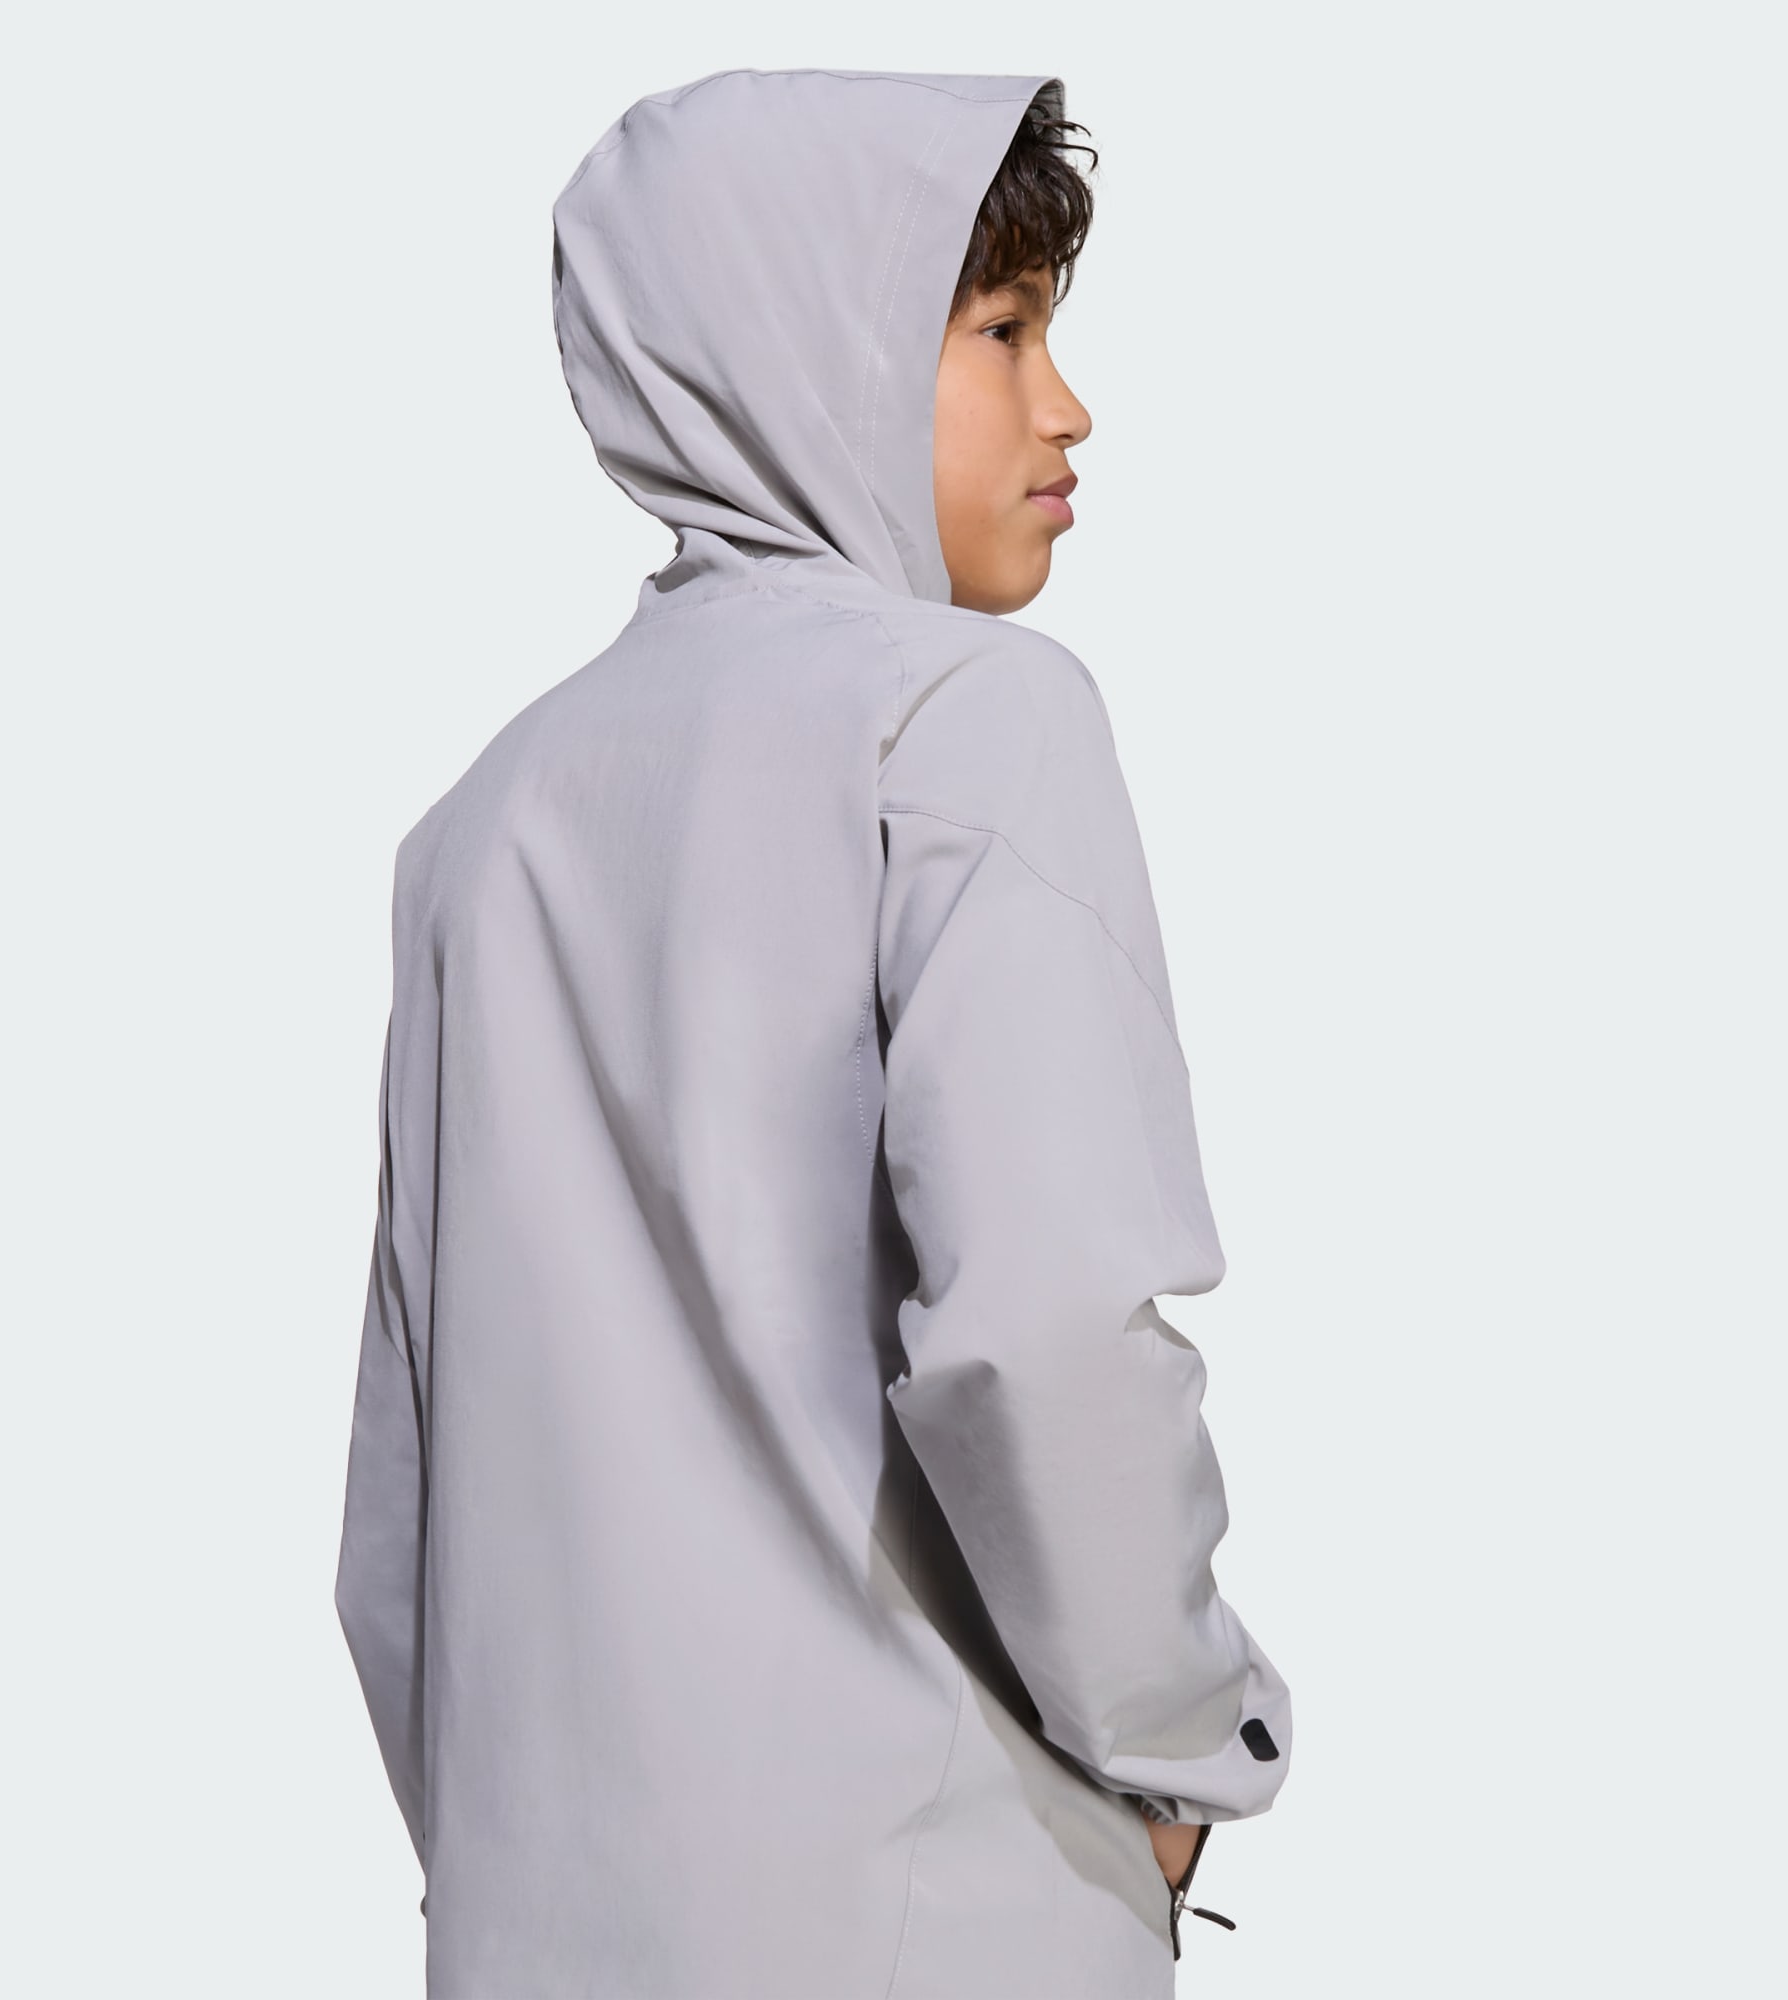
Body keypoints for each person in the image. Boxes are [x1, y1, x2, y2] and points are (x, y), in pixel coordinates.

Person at [335, 66, 1292, 1999]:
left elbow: (406, 1515)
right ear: (805, 352)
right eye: (1000, 331)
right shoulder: (962, 718)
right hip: (935, 1921)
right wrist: (1189, 1750)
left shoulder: (481, 827)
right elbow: (1042, 1334)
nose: (1066, 406)